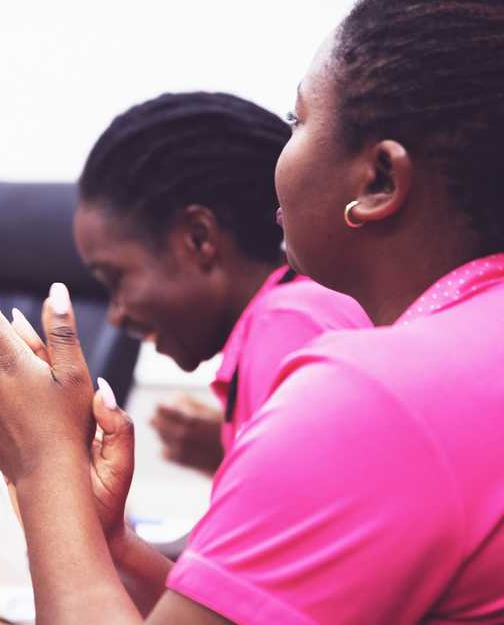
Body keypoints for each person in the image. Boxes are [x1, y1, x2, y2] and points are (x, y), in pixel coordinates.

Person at [0, 0, 504, 625]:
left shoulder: (371, 392)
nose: (276, 162)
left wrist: (41, 463)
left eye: (297, 120)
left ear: (378, 179)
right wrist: (105, 543)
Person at [70, 93, 368, 475]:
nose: (116, 316)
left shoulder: (287, 327)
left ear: (198, 239)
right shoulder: (303, 311)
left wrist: (48, 457)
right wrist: (233, 453)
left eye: (116, 280)